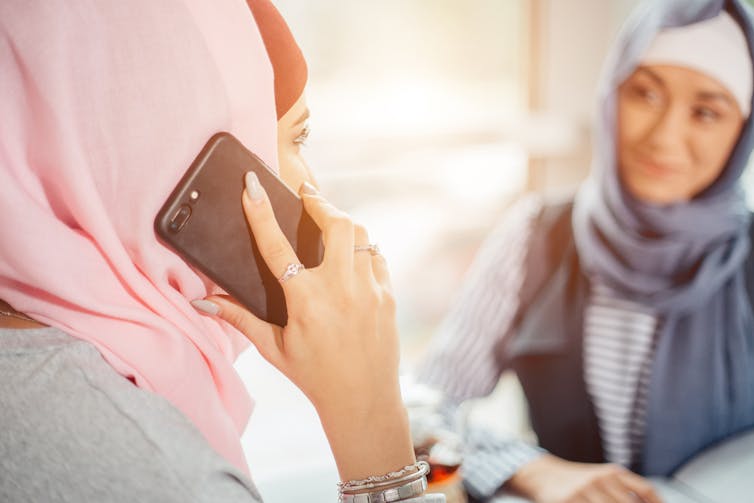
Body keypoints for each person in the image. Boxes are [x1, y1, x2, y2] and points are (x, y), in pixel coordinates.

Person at [0, 1, 442, 502]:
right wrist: (374, 427)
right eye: (292, 142)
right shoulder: (172, 479)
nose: (309, 189)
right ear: (160, 164)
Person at [417, 0, 754, 502]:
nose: (665, 136)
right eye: (644, 93)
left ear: (742, 132)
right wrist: (529, 468)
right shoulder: (537, 235)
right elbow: (420, 409)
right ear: (610, 94)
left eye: (706, 112)